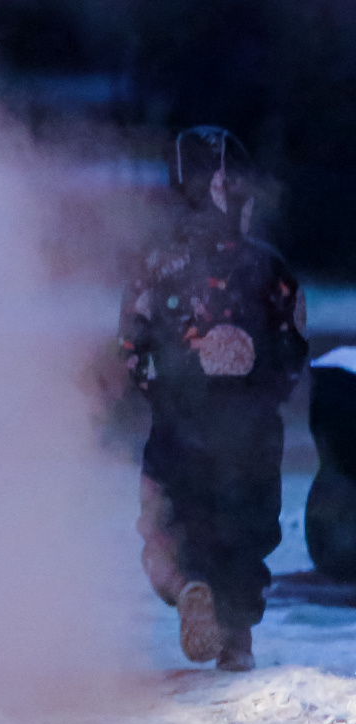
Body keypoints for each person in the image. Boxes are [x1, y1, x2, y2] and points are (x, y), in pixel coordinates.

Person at [119, 126, 307, 672]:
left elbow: (131, 345)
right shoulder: (269, 266)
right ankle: (238, 640)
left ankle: (184, 586)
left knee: (167, 524)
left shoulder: (152, 266)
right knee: (245, 533)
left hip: (179, 426)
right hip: (251, 432)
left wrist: (160, 393)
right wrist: (264, 397)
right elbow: (293, 345)